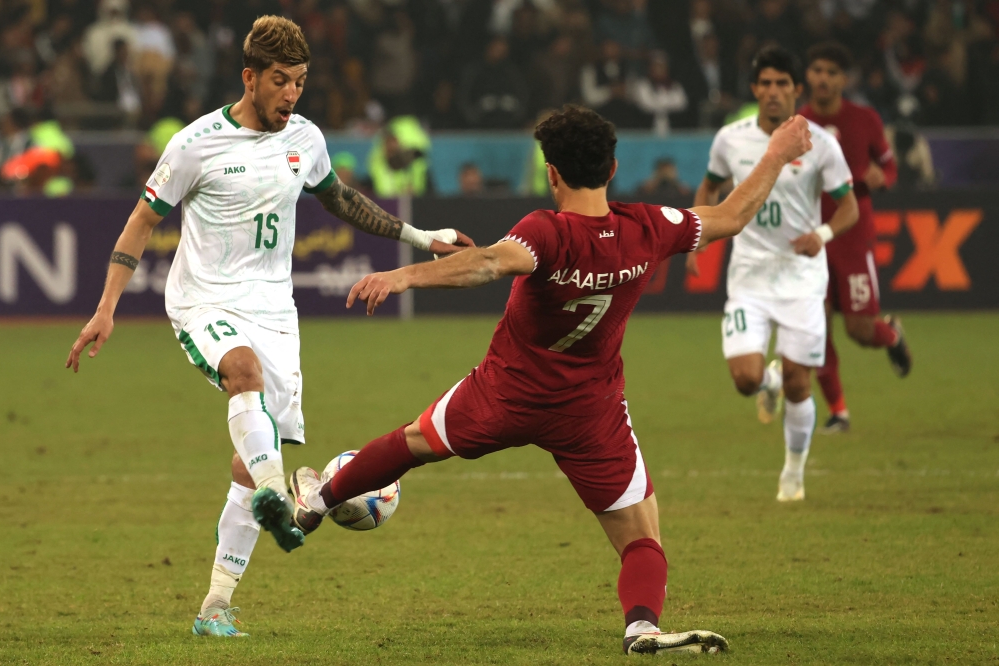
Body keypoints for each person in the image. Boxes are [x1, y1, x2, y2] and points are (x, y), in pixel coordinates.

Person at [286, 104, 814, 655]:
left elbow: (489, 262)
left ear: (552, 172)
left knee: (411, 444)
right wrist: (776, 154)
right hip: (591, 411)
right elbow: (731, 215)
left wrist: (403, 276)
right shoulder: (648, 227)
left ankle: (318, 502)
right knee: (642, 538)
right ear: (612, 169)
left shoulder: (545, 231)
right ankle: (643, 627)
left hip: (504, 393)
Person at [64, 16, 473, 639]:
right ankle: (279, 494)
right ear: (250, 77)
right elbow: (140, 223)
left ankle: (215, 607)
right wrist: (105, 307)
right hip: (203, 300)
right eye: (280, 81)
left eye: (301, 82)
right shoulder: (194, 144)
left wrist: (423, 236)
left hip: (275, 310)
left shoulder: (305, 139)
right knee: (243, 376)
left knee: (248, 459)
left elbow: (341, 200)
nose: (291, 94)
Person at [686, 46, 859, 502]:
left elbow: (850, 207)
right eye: (766, 83)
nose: (774, 91)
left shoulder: (820, 143)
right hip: (749, 276)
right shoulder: (730, 139)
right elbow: (710, 184)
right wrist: (695, 234)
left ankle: (794, 473)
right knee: (745, 379)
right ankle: (769, 381)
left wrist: (821, 232)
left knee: (803, 383)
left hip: (802, 277)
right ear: (755, 89)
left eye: (784, 83)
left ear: (796, 90)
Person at [798, 41, 911, 435]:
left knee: (861, 331)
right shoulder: (799, 124)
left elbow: (890, 166)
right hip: (812, 239)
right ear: (808, 76)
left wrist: (884, 179)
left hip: (853, 237)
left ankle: (891, 333)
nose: (823, 78)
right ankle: (838, 412)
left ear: (843, 79)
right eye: (816, 70)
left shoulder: (864, 119)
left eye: (831, 72)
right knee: (817, 328)